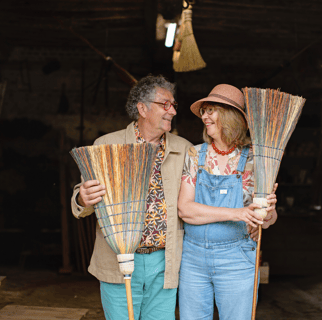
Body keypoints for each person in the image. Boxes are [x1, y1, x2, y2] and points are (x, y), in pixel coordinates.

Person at [70, 74, 192, 320]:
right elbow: (82, 198)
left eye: (174, 105)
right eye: (164, 104)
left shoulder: (185, 149)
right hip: (120, 259)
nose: (172, 111)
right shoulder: (107, 145)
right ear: (142, 108)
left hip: (165, 260)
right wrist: (83, 198)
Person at [177, 84, 278, 320]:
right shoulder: (195, 154)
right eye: (204, 111)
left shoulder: (256, 159)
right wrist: (238, 214)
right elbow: (185, 210)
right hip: (193, 257)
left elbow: (266, 222)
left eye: (211, 110)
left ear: (230, 115)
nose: (204, 116)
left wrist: (269, 212)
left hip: (236, 257)